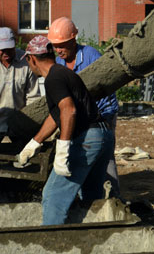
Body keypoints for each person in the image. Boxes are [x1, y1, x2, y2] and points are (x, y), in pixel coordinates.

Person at [16, 35, 114, 225]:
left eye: (28, 61)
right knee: (91, 196)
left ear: (32, 59)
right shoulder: (63, 73)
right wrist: (34, 142)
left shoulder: (54, 78)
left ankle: (53, 247)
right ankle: (92, 240)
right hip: (103, 135)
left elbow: (68, 110)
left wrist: (63, 149)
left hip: (87, 138)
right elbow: (56, 115)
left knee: (53, 196)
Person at [47, 16, 120, 196]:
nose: (59, 50)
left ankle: (114, 198)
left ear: (73, 40)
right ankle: (85, 197)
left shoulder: (91, 56)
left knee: (104, 156)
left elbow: (105, 87)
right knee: (79, 156)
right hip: (78, 116)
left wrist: (104, 121)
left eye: (62, 45)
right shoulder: (58, 63)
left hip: (102, 114)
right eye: (55, 46)